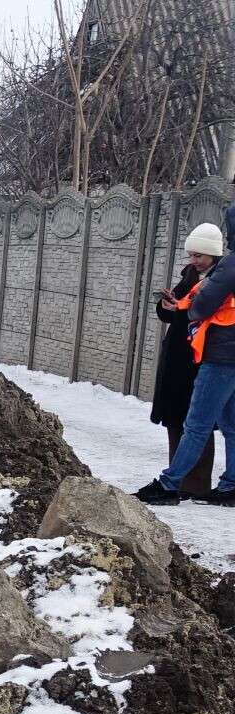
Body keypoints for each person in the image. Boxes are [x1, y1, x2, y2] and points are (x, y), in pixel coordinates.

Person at [139, 201, 235, 508]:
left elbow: (202, 306)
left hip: (220, 356)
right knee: (231, 425)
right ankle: (231, 485)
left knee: (196, 423)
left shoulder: (229, 267)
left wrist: (188, 309)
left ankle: (169, 485)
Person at [149, 223, 223, 495]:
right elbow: (175, 314)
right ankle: (178, 479)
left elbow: (205, 314)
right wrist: (167, 305)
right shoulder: (190, 275)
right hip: (178, 358)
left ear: (213, 254)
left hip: (201, 357)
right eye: (191, 255)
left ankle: (196, 485)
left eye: (199, 256)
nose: (194, 260)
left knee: (198, 422)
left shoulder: (220, 278)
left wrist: (181, 309)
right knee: (176, 419)